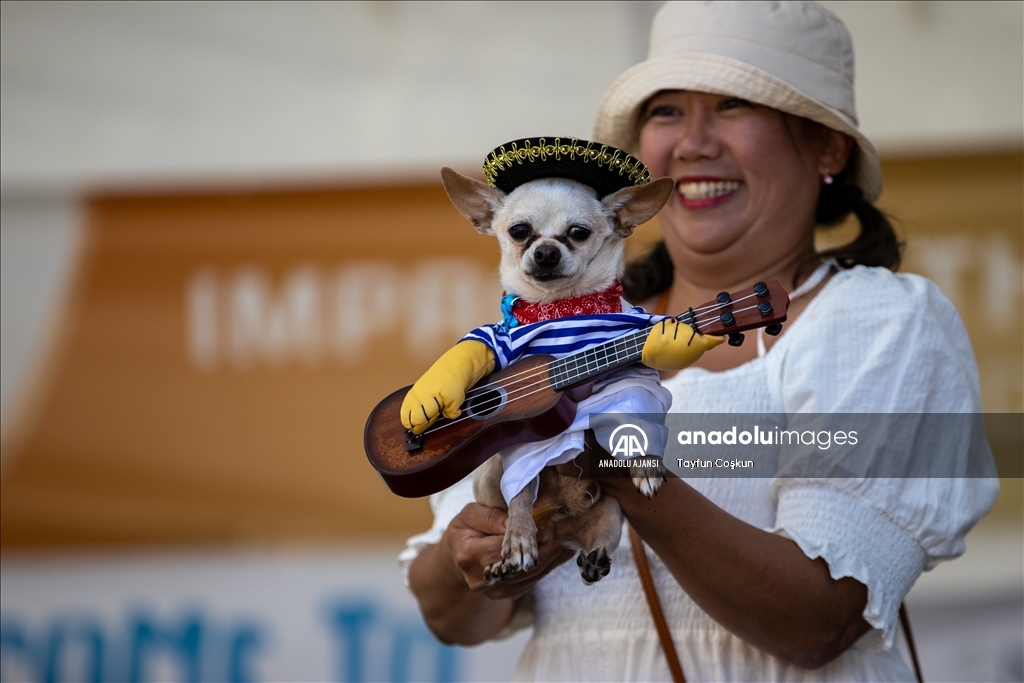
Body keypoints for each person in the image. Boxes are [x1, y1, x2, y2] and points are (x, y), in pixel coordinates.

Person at [401, 2, 999, 680]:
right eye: (666, 111)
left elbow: (817, 620)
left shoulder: (880, 320)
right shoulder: (541, 335)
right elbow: (452, 616)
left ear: (828, 147)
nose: (693, 142)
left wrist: (618, 467)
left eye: (736, 105)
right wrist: (481, 558)